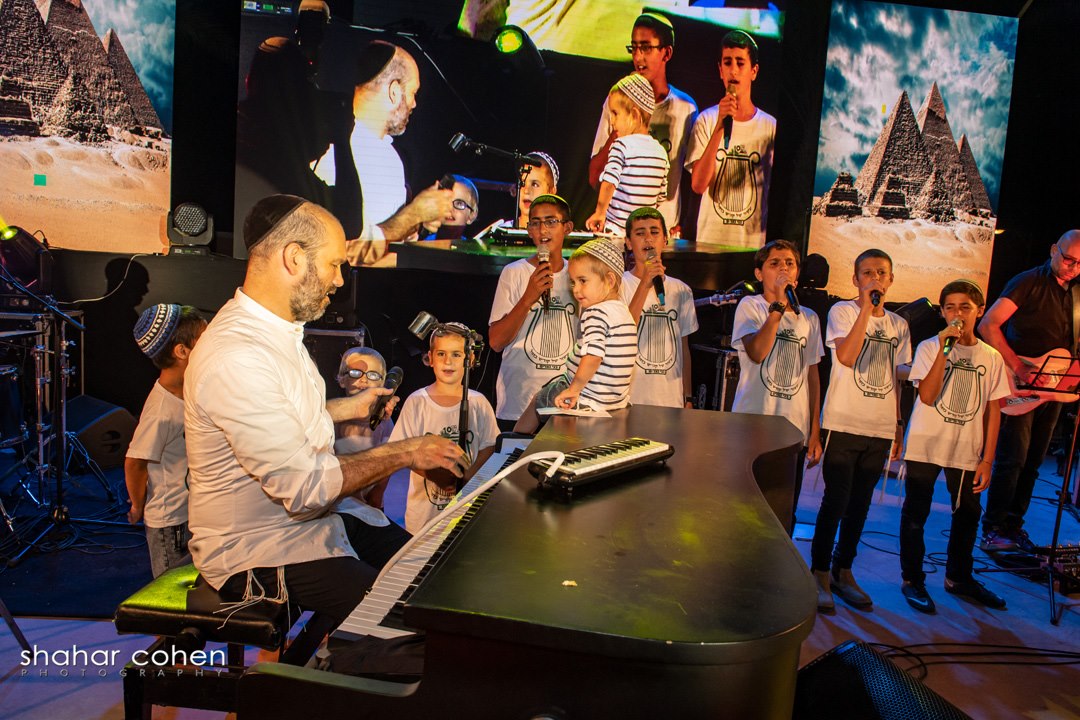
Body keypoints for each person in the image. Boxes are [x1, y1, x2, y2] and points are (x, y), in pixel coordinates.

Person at [184, 194, 468, 647]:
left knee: (434, 574)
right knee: (413, 628)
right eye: (334, 264)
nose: (339, 279)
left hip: (312, 520)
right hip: (259, 547)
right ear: (294, 258)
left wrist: (347, 408)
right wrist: (406, 451)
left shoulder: (275, 331)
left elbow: (286, 415)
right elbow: (303, 488)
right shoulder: (237, 355)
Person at [900, 280, 1009, 613]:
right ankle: (912, 579)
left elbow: (993, 409)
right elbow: (928, 395)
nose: (957, 313)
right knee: (916, 513)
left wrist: (988, 459)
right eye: (949, 307)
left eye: (965, 307)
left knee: (967, 514)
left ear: (980, 310)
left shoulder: (991, 357)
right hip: (926, 444)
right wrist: (944, 350)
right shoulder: (930, 347)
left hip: (966, 448)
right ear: (943, 312)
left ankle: (959, 578)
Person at [811, 250, 910, 612]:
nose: (874, 278)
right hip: (843, 421)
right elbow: (847, 356)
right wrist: (867, 310)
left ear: (891, 280)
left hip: (879, 426)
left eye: (881, 273)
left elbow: (897, 380)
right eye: (867, 273)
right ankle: (819, 572)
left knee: (861, 504)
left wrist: (897, 425)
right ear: (855, 280)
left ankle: (844, 569)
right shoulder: (843, 312)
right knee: (836, 500)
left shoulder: (899, 325)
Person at [979, 229, 1080, 552]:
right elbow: (987, 325)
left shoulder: (1076, 295)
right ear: (1053, 250)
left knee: (1034, 461)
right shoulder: (1028, 281)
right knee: (1013, 459)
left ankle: (1013, 526)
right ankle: (993, 527)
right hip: (1019, 382)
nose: (1073, 267)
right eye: (1068, 259)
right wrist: (1018, 366)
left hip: (1054, 389)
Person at [313, 41, 453, 264]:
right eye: (412, 93)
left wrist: (418, 222)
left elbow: (386, 234)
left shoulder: (389, 155)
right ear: (394, 91)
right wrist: (413, 214)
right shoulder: (337, 152)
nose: (414, 104)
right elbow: (343, 251)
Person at [730, 240, 823, 530]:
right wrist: (778, 307)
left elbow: (812, 375)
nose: (783, 269)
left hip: (792, 426)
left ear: (797, 274)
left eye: (789, 264)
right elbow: (757, 352)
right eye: (775, 263)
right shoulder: (751, 306)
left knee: (783, 513)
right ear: (759, 273)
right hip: (753, 423)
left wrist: (815, 430)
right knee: (746, 508)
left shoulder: (810, 318)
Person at [589, 12, 697, 231]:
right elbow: (594, 177)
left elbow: (689, 179)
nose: (638, 57)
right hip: (620, 229)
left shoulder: (685, 108)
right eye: (634, 48)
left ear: (667, 53)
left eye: (646, 48)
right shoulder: (615, 103)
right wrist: (621, 122)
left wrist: (682, 223)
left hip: (663, 231)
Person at [516, 237, 637, 432]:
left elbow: (593, 356)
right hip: (614, 401)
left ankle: (514, 441)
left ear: (609, 280)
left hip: (587, 396)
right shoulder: (623, 312)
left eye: (583, 281)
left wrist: (574, 390)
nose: (576, 290)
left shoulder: (596, 312)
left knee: (539, 398)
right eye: (573, 282)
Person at [390, 323, 499, 533]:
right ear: (430, 358)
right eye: (441, 354)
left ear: (470, 359)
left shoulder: (479, 403)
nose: (448, 361)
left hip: (466, 510)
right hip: (424, 517)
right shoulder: (416, 401)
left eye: (456, 354)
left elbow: (490, 446)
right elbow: (401, 451)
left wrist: (468, 477)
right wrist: (433, 474)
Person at [125, 304, 207, 578]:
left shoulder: (191, 390)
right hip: (169, 521)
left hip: (192, 512)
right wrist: (137, 505)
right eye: (204, 339)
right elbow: (135, 461)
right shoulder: (161, 410)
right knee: (170, 586)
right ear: (182, 351)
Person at [489, 194, 579, 431]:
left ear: (567, 227)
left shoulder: (578, 275)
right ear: (528, 230)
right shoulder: (513, 273)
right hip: (518, 401)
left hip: (564, 401)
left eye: (551, 222)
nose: (543, 230)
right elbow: (496, 341)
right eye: (536, 223)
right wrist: (529, 296)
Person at [685, 30, 775, 248]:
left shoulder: (770, 126)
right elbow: (698, 185)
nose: (733, 70)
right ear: (720, 70)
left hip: (751, 245)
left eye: (740, 63)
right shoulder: (706, 119)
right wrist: (720, 124)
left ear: (754, 71)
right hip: (709, 243)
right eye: (727, 62)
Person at [619, 207, 697, 408]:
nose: (648, 238)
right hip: (629, 399)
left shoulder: (681, 290)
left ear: (665, 239)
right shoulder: (618, 285)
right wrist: (645, 284)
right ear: (628, 242)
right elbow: (621, 334)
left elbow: (684, 348)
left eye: (654, 232)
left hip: (670, 401)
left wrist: (688, 397)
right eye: (640, 233)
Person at [585, 73, 669, 236]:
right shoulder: (661, 152)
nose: (612, 121)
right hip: (642, 235)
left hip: (615, 231)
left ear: (635, 115)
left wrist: (600, 212)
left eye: (615, 113)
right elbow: (661, 196)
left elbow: (609, 182)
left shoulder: (621, 146)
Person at [333, 346, 394, 524]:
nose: (364, 380)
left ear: (382, 383)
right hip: (337, 505)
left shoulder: (383, 421)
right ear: (341, 379)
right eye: (355, 373)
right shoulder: (332, 418)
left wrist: (377, 496)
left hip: (369, 504)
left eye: (373, 375)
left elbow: (388, 462)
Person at [422, 175, 479, 240]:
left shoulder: (470, 246)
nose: (450, 208)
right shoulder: (420, 241)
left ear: (471, 216)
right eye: (445, 201)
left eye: (459, 203)